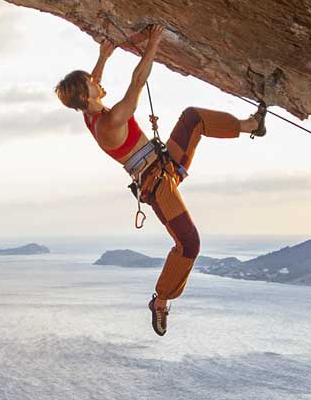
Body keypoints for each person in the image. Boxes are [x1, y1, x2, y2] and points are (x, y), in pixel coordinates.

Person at [54, 24, 266, 335]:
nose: (97, 81)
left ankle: (252, 125)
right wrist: (154, 42)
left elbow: (93, 81)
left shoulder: (88, 110)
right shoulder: (109, 122)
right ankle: (161, 300)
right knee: (189, 243)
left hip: (166, 162)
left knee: (194, 117)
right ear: (86, 95)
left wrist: (103, 56)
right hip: (158, 184)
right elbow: (138, 82)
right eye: (91, 82)